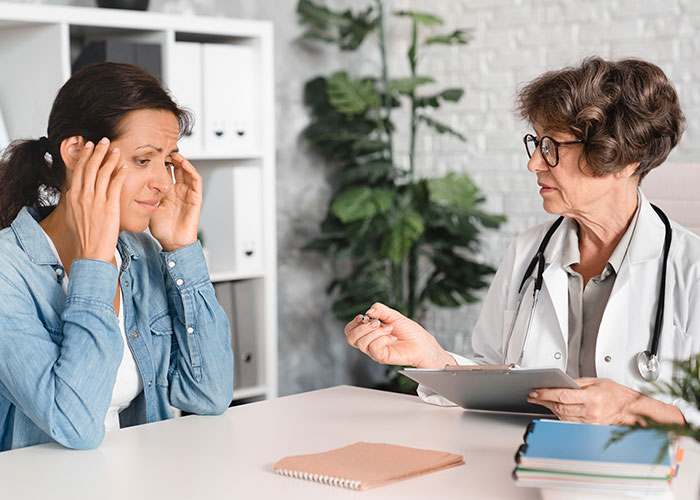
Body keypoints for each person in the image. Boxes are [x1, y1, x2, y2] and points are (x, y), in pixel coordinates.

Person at [345, 57, 700, 427]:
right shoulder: (529, 251)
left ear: (622, 158)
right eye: (536, 142)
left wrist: (632, 410)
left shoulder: (691, 269)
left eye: (552, 146)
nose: (534, 163)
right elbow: (495, 375)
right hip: (524, 464)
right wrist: (434, 359)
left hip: (645, 478)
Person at [0, 62, 234, 452]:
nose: (162, 182)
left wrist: (182, 249)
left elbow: (208, 394)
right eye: (143, 160)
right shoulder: (9, 270)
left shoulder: (141, 254)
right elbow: (74, 426)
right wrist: (93, 265)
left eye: (168, 160)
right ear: (77, 152)